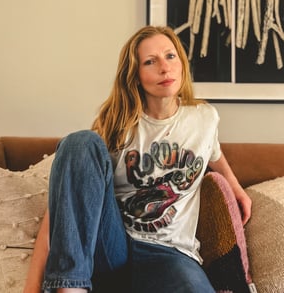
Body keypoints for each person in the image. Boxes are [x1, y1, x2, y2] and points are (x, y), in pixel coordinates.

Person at [23, 25, 252, 293]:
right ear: (136, 74)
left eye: (170, 56)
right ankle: (69, 289)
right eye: (150, 62)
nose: (164, 69)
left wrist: (236, 187)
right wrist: (31, 286)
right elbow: (68, 202)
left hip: (170, 252)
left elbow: (214, 153)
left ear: (181, 63)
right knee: (80, 141)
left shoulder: (204, 119)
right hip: (112, 247)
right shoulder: (116, 125)